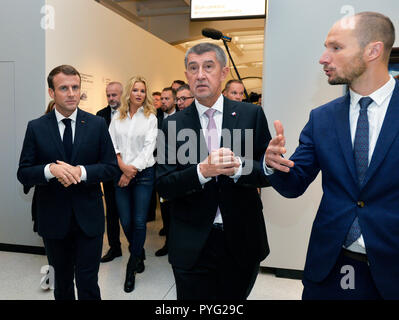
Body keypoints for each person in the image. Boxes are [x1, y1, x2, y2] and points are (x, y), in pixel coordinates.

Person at [264, 12, 398, 299]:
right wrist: (274, 165)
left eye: (336, 48)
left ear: (373, 51)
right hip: (331, 266)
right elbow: (294, 184)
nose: (323, 58)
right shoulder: (322, 118)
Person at [156, 42, 271, 300]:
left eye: (209, 67)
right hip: (191, 241)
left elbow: (268, 172)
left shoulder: (251, 115)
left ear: (224, 72)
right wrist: (202, 171)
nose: (200, 75)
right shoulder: (171, 125)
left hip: (241, 238)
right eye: (193, 68)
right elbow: (163, 184)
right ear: (186, 75)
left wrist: (240, 167)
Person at [17, 65, 119, 300]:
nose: (72, 93)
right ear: (52, 93)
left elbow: (111, 167)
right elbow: (24, 173)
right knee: (61, 284)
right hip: (53, 218)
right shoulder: (36, 127)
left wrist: (80, 172)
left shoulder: (96, 124)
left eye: (75, 87)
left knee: (88, 283)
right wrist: (50, 170)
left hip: (89, 218)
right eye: (64, 88)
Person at [108, 76, 157, 293]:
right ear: (129, 92)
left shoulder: (150, 118)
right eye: (136, 90)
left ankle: (132, 266)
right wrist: (121, 165)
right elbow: (112, 144)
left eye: (143, 91)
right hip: (121, 172)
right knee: (125, 221)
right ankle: (139, 252)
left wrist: (130, 172)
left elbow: (148, 149)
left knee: (138, 221)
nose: (139, 94)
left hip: (144, 174)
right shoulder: (117, 117)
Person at [96, 81, 124, 263]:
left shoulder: (131, 113)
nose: (111, 98)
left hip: (128, 171)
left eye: (114, 95)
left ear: (122, 94)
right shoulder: (100, 116)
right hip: (109, 172)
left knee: (130, 215)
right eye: (108, 95)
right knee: (112, 212)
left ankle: (137, 250)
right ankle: (115, 248)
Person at [154, 87, 177, 257]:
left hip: (178, 169)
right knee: (165, 210)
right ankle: (169, 243)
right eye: (162, 98)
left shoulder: (182, 118)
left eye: (167, 98)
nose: (163, 102)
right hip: (160, 168)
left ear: (175, 100)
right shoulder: (156, 117)